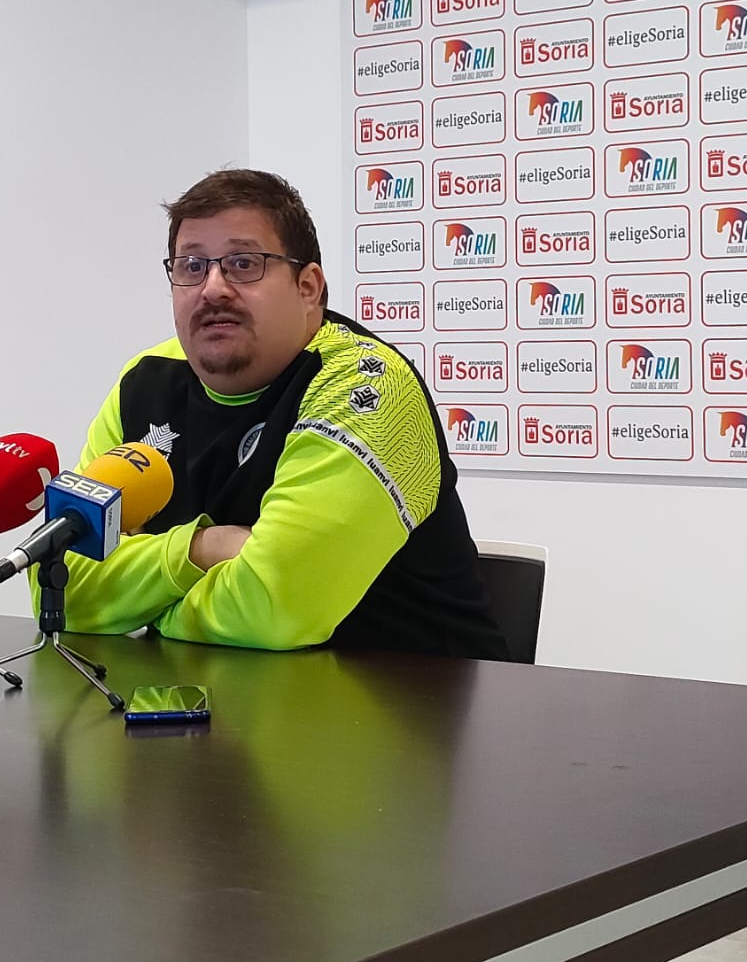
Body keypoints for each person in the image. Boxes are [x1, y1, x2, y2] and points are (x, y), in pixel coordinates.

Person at [41, 168, 508, 659]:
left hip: (416, 713)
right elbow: (61, 589)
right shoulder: (145, 380)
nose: (213, 288)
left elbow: (272, 609)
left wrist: (144, 609)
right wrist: (203, 548)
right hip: (213, 708)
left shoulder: (365, 384)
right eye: (192, 266)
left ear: (308, 288)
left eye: (243, 264)